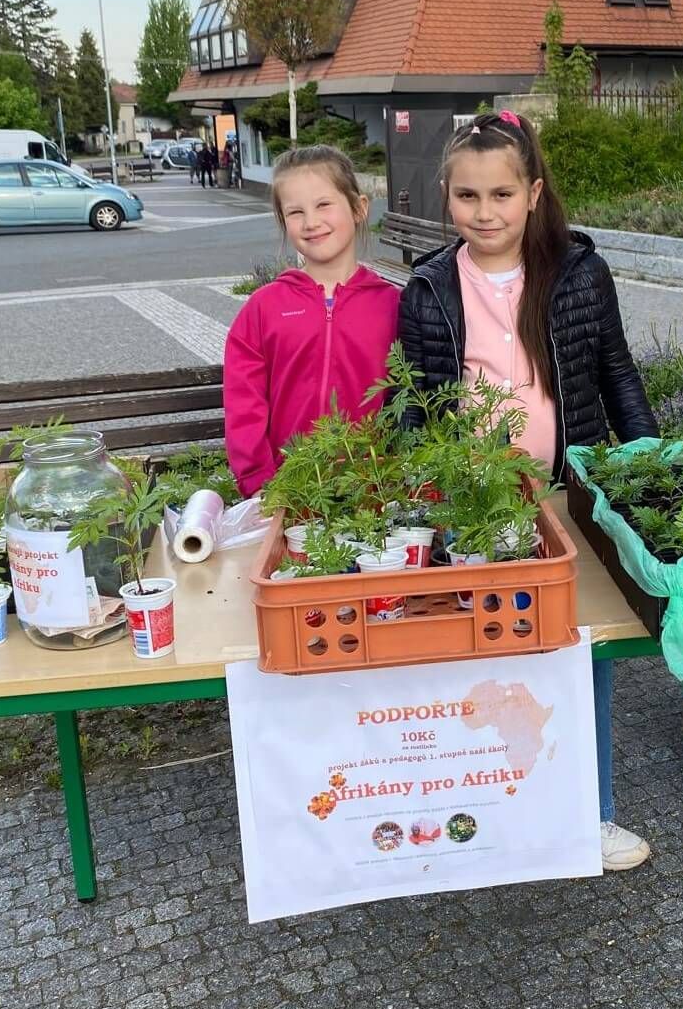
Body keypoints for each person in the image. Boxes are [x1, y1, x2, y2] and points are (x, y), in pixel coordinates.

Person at [397, 110, 659, 872]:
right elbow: (418, 404)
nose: (486, 213)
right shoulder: (430, 288)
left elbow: (616, 372)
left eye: (502, 195)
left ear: (534, 194)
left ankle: (591, 814)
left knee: (584, 650)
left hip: (568, 497)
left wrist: (650, 467)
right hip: (474, 507)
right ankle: (486, 813)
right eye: (468, 196)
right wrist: (418, 484)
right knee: (480, 655)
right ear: (447, 196)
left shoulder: (578, 273)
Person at [224, 145, 400, 496]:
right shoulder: (264, 308)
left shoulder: (393, 304)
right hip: (288, 491)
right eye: (295, 212)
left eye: (323, 205)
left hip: (376, 492)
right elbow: (244, 404)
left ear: (359, 208)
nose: (311, 222)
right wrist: (261, 485)